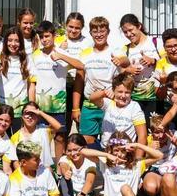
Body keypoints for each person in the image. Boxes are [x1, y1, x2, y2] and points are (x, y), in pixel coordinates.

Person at [30, 21, 83, 143]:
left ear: (54, 36)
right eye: (41, 37)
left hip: (58, 106)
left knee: (59, 137)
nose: (44, 39)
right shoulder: (35, 55)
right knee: (42, 137)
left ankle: (59, 162)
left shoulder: (62, 53)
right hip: (40, 106)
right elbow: (32, 83)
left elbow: (81, 66)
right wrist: (32, 103)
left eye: (47, 36)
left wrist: (61, 57)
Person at [76, 16, 119, 144]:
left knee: (111, 143)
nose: (99, 34)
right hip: (89, 105)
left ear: (108, 32)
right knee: (87, 144)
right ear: (90, 33)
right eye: (95, 32)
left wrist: (115, 92)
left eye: (102, 31)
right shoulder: (85, 53)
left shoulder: (116, 52)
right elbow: (79, 80)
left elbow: (124, 76)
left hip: (110, 104)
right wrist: (75, 108)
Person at [114, 14, 160, 124]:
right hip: (134, 98)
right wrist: (128, 70)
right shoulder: (126, 48)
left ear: (139, 26)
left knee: (153, 130)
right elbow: (120, 69)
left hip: (155, 97)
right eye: (125, 32)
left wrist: (153, 61)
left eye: (131, 30)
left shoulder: (156, 42)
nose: (129, 34)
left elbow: (167, 64)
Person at [89, 72, 147, 151]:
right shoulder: (109, 103)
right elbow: (92, 98)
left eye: (127, 92)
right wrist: (104, 93)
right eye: (120, 92)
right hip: (105, 148)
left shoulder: (134, 107)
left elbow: (142, 135)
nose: (123, 96)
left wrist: (138, 159)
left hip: (124, 151)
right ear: (113, 90)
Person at [57, 12, 92, 136]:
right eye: (70, 26)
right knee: (63, 126)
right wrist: (60, 49)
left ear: (82, 28)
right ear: (65, 25)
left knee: (81, 122)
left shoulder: (88, 43)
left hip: (81, 86)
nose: (73, 30)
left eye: (77, 28)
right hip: (63, 86)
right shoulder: (58, 40)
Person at [0, 27, 36, 130]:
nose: (13, 44)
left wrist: (32, 106)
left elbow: (31, 85)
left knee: (18, 141)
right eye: (10, 40)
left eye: (17, 41)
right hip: (1, 108)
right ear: (5, 42)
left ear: (21, 42)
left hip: (19, 108)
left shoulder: (27, 59)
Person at [9, 102, 60, 170]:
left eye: (33, 114)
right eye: (27, 113)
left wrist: (41, 113)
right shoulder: (15, 137)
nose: (30, 117)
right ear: (22, 116)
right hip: (26, 174)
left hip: (45, 172)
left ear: (38, 117)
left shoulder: (44, 130)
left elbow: (58, 126)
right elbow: (15, 161)